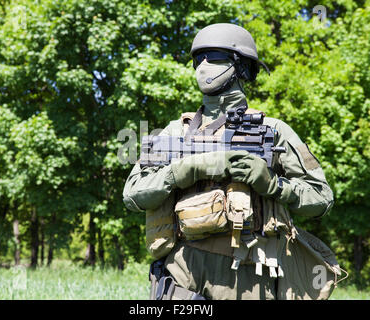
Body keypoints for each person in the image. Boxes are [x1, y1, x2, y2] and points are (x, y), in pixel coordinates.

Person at [123, 23, 343, 300]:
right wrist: (182, 172)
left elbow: (322, 198)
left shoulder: (274, 131)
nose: (203, 65)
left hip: (251, 277)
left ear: (240, 67)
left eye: (214, 56)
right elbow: (132, 194)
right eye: (197, 58)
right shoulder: (174, 133)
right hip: (182, 275)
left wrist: (274, 185)